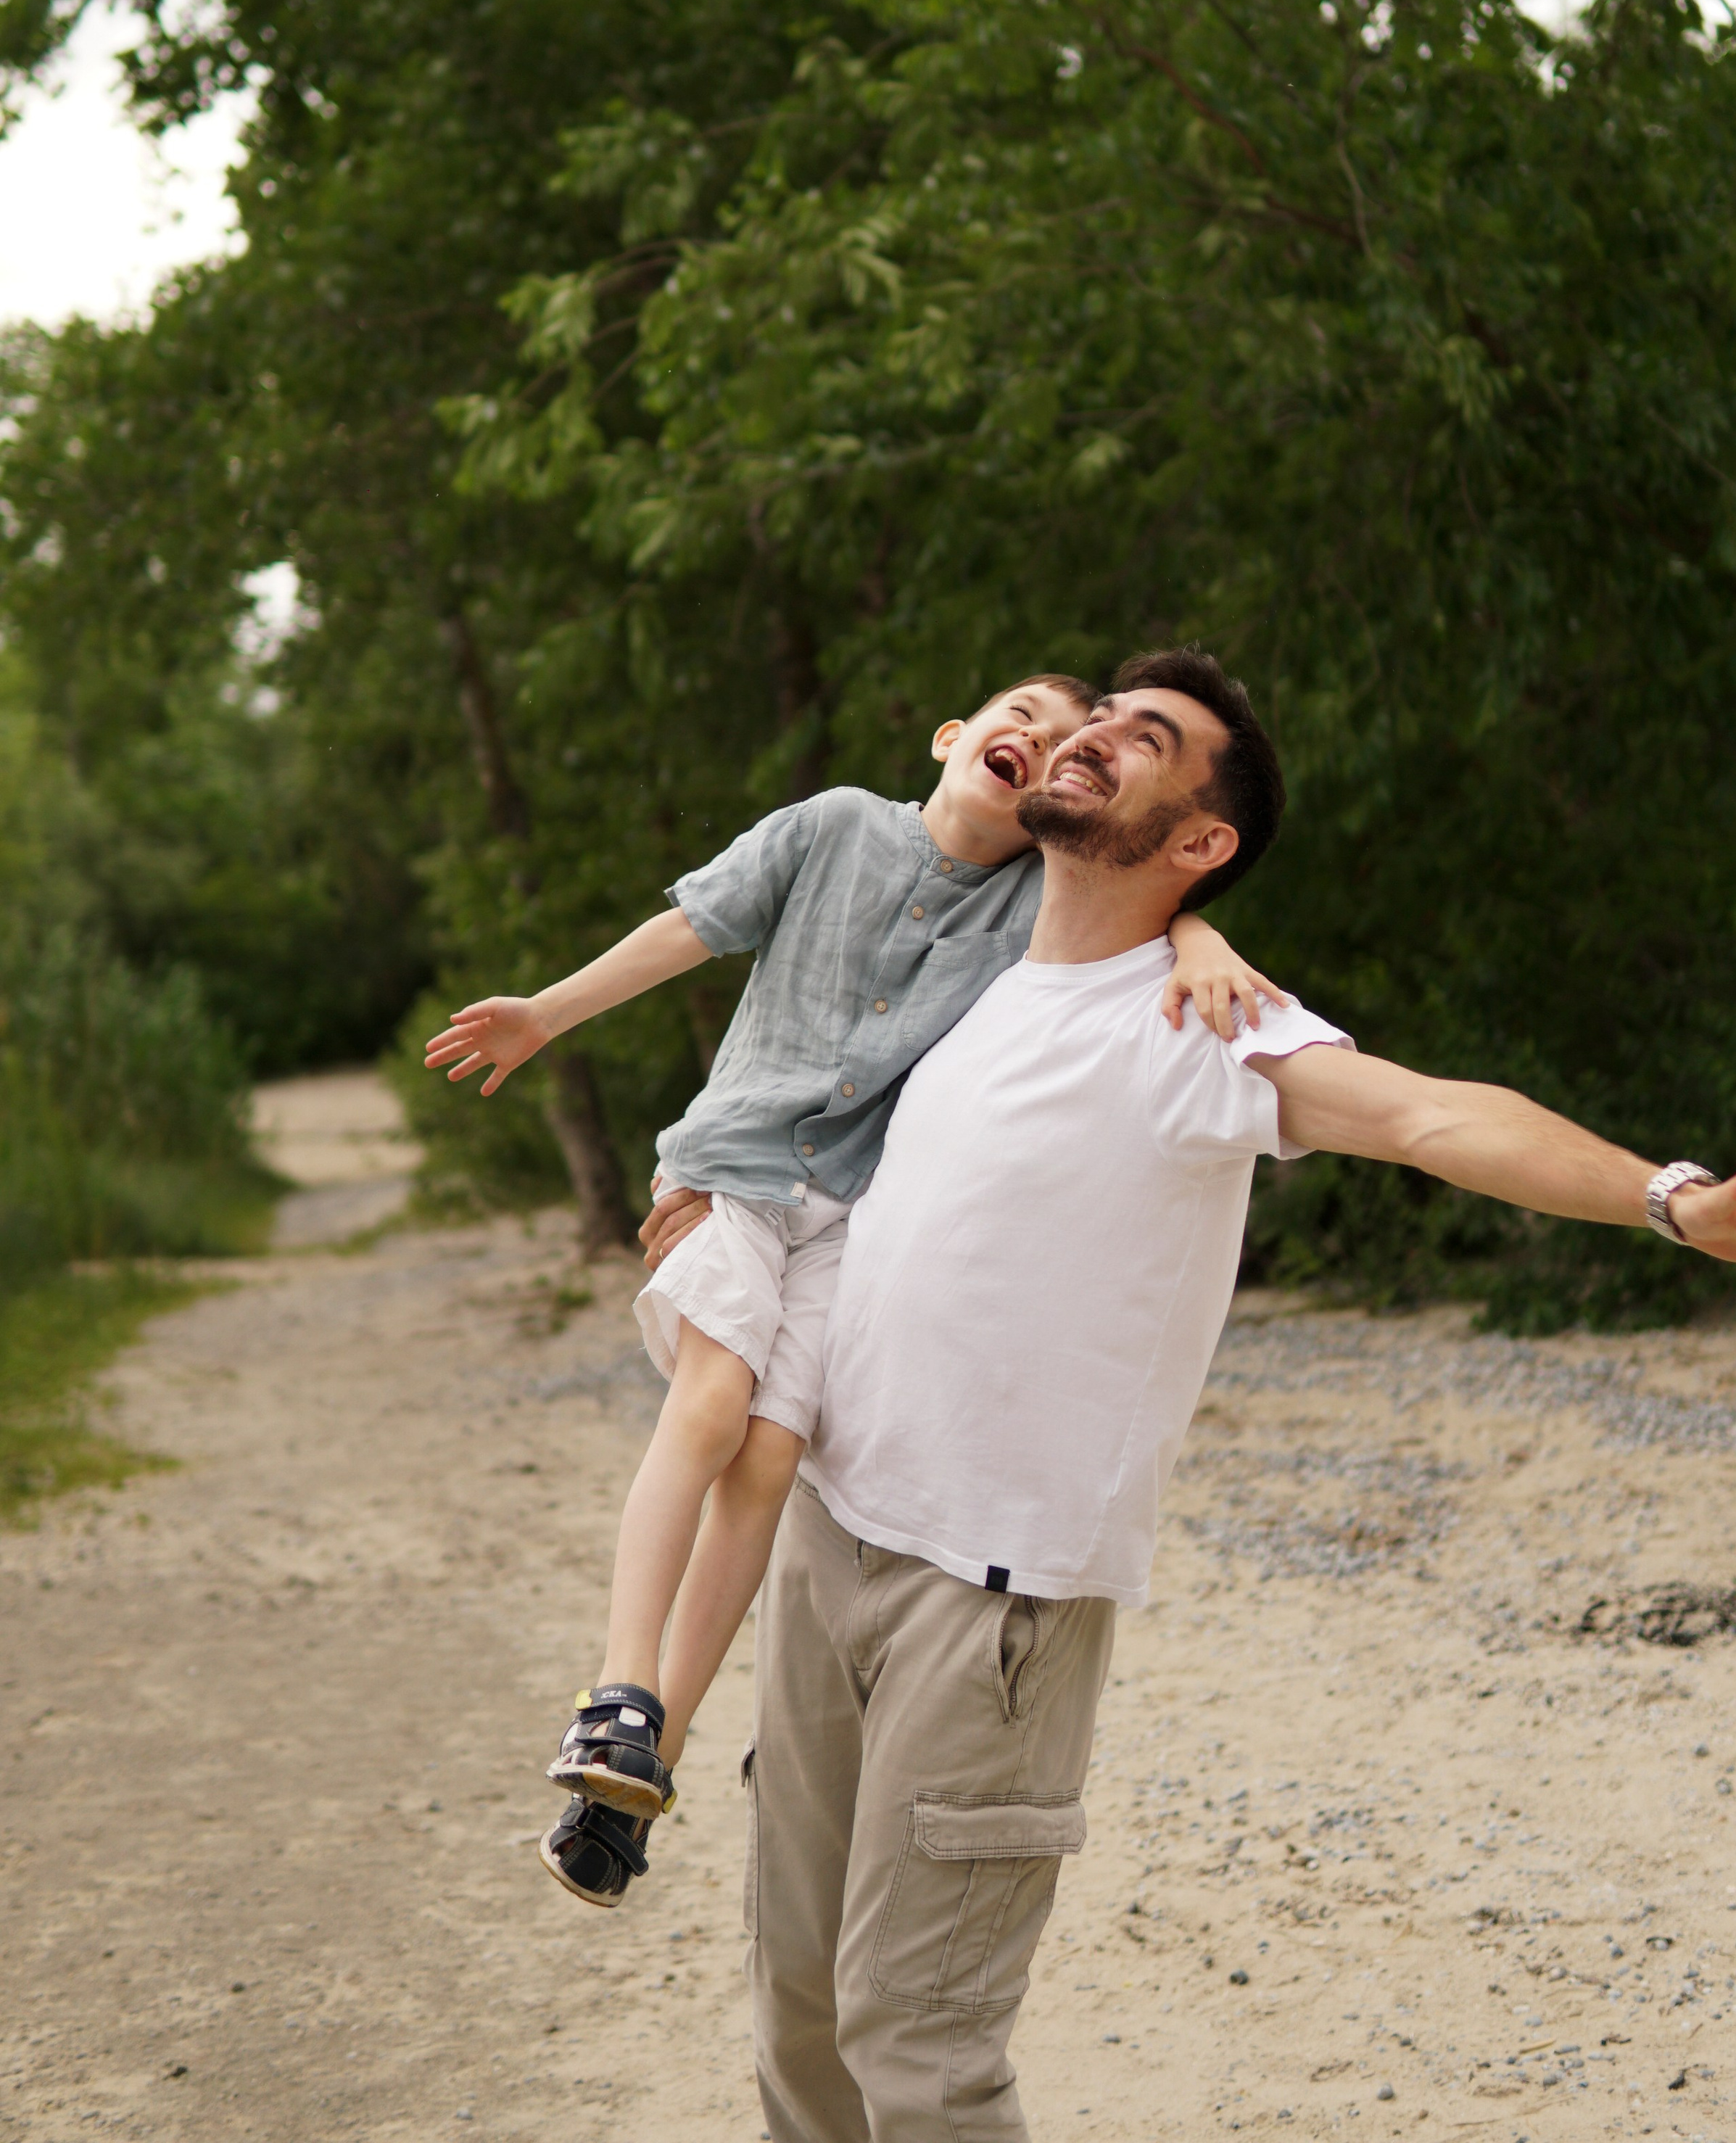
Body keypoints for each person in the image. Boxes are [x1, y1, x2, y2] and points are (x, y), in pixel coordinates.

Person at [641, 643, 1736, 2143]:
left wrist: (1667, 1199)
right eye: (1091, 719)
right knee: (800, 2011)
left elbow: (1429, 1116)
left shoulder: (1204, 1030)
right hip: (827, 1538)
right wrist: (710, 1199)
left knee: (920, 2044)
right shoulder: (970, 972)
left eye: (1138, 739)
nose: (1087, 738)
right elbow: (803, 1101)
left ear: (1200, 839)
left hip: (992, 1596)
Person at [421, 672, 1284, 1906]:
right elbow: (693, 929)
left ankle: (640, 1780)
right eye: (1018, 714)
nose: (1038, 740)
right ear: (952, 736)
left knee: (772, 1460)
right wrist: (543, 1019)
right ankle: (619, 1692)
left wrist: (1204, 937)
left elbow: (1153, 908)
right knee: (716, 1409)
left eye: (1060, 740)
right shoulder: (831, 825)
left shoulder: (1031, 905)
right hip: (728, 1181)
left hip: (840, 1224)